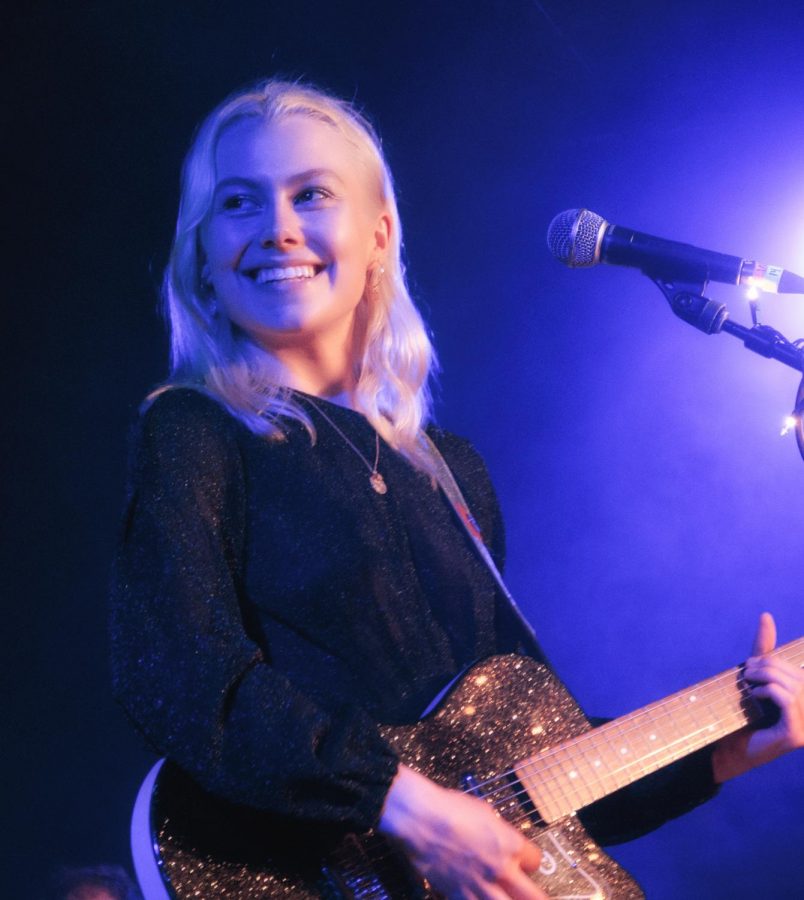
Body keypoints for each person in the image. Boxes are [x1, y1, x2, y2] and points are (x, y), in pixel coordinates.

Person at [110, 79, 804, 899]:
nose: (279, 228)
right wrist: (404, 808)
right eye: (238, 203)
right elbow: (180, 674)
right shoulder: (192, 430)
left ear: (378, 236)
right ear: (202, 250)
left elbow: (535, 782)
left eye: (313, 194)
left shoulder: (449, 467)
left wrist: (729, 746)